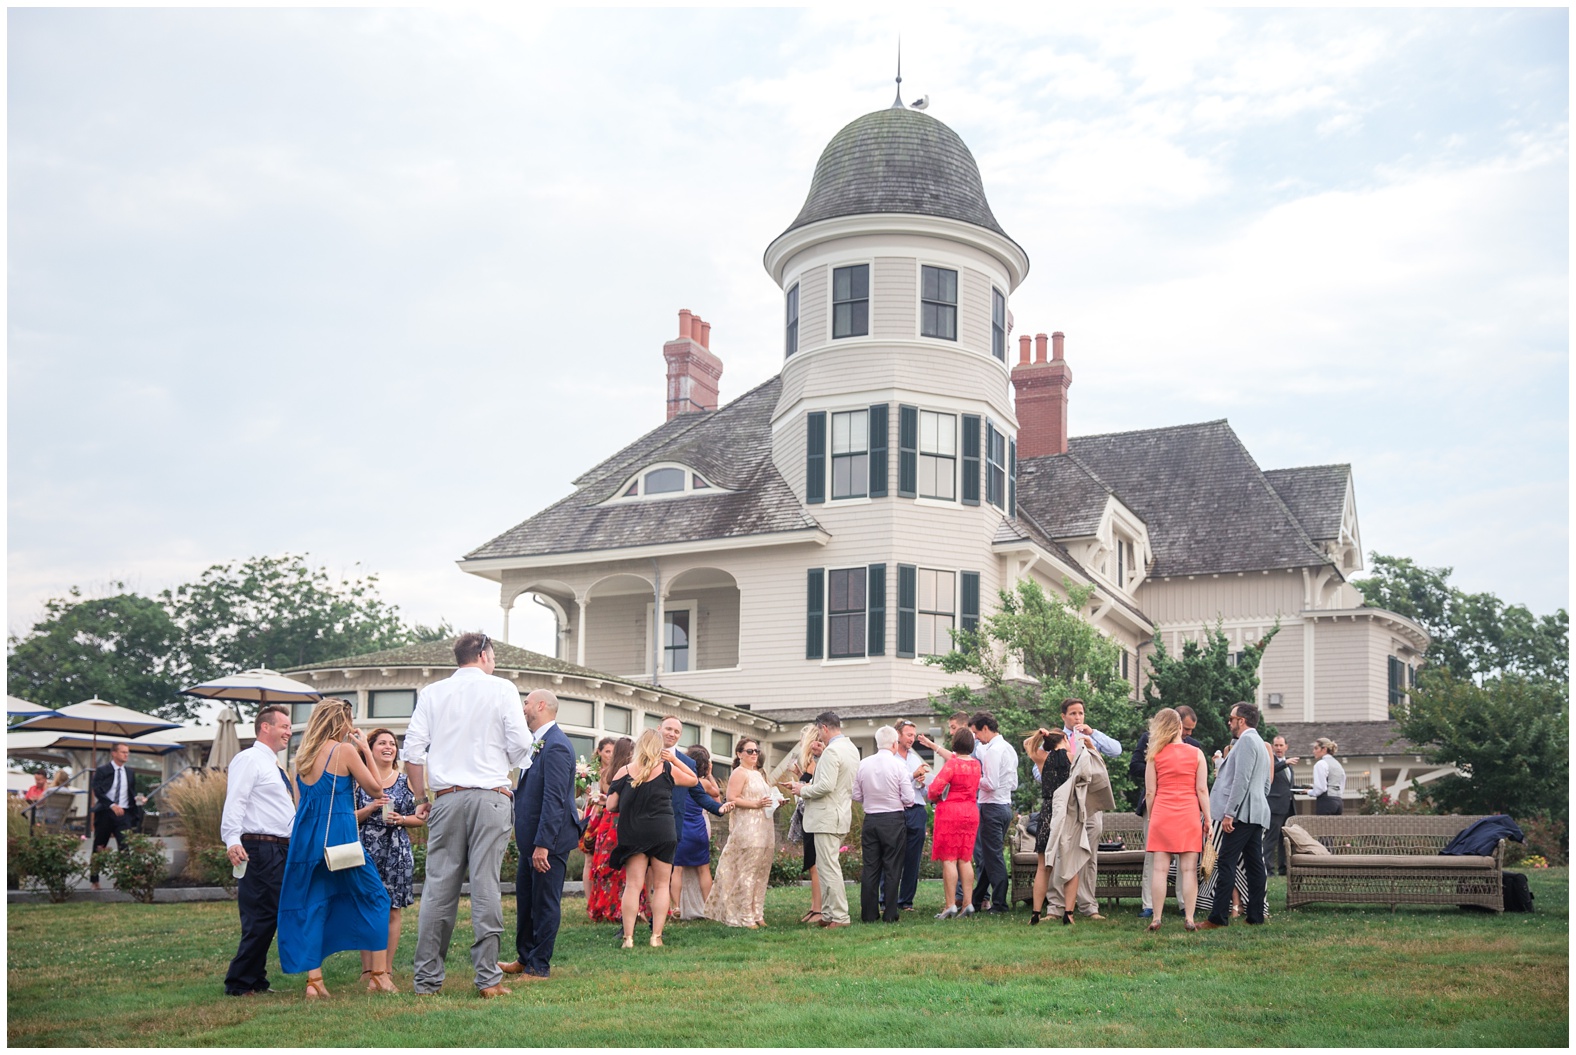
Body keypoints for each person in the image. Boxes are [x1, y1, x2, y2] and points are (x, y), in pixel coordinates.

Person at [402, 632, 533, 998]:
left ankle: (427, 981)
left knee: (438, 889)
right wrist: (505, 762)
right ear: (482, 654)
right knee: (485, 884)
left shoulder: (432, 693)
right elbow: (522, 742)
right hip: (490, 795)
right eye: (492, 655)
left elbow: (412, 751)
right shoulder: (501, 688)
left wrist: (418, 797)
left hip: (445, 797)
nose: (494, 661)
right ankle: (488, 979)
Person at [276, 700, 392, 998]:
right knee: (376, 897)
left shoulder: (301, 757)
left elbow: (300, 805)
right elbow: (378, 790)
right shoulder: (344, 751)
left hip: (306, 837)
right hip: (339, 836)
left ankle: (314, 982)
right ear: (340, 721)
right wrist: (366, 751)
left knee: (314, 904)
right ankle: (378, 975)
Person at [500, 689, 584, 981]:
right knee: (526, 900)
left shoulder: (557, 745)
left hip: (549, 842)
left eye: (525, 703)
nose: (522, 708)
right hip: (530, 841)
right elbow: (531, 792)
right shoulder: (537, 743)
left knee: (545, 903)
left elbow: (555, 800)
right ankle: (524, 957)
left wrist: (543, 846)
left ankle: (539, 966)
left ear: (540, 705)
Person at [220, 705, 295, 997]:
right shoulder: (249, 759)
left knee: (269, 914)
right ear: (266, 727)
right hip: (260, 847)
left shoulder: (272, 764)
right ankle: (239, 982)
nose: (289, 731)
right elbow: (235, 800)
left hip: (279, 848)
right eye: (284, 726)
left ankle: (255, 979)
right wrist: (232, 840)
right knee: (262, 914)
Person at [609, 729, 698, 947]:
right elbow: (694, 780)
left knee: (633, 885)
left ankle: (628, 938)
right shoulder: (667, 769)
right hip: (663, 831)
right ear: (659, 748)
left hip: (633, 831)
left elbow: (610, 805)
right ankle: (655, 937)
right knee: (660, 886)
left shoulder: (624, 771)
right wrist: (674, 759)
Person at [352, 728, 419, 993]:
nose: (389, 747)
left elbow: (422, 816)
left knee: (392, 910)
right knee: (366, 908)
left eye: (392, 743)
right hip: (365, 849)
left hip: (396, 851)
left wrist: (401, 819)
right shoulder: (357, 780)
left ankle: (386, 971)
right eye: (382, 743)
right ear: (371, 748)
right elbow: (346, 816)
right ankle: (368, 970)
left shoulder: (405, 781)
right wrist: (369, 810)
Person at [1198, 703, 1272, 930]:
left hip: (1242, 814)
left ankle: (1218, 917)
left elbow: (1242, 780)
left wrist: (1230, 813)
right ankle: (1256, 915)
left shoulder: (1248, 741)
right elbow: (1265, 783)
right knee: (1254, 863)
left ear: (1242, 720)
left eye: (1231, 718)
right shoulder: (1259, 742)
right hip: (1256, 811)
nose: (1228, 722)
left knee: (1226, 862)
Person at [1131, 704, 1203, 919]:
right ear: (1177, 723)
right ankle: (1149, 904)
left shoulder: (1193, 747)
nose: (1189, 734)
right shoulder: (1149, 740)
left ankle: (1183, 903)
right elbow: (1134, 766)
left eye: (1191, 730)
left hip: (1176, 807)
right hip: (1159, 806)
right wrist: (1162, 771)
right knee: (1154, 859)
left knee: (1184, 863)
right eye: (1186, 729)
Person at [789, 711, 859, 929]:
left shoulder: (832, 752)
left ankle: (839, 915)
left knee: (828, 868)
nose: (818, 736)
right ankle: (828, 913)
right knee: (827, 865)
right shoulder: (850, 748)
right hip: (839, 813)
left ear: (825, 728)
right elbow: (836, 778)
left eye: (819, 731)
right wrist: (821, 756)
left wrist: (802, 789)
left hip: (827, 816)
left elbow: (826, 786)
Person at [1053, 697, 1121, 920]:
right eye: (1072, 713)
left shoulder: (1090, 736)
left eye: (1080, 713)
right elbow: (1039, 770)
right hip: (1066, 801)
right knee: (1063, 852)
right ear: (1063, 716)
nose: (1077, 717)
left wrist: (1093, 735)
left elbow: (1116, 750)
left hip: (1090, 803)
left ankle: (1089, 905)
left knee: (1089, 854)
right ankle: (1059, 906)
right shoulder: (1057, 738)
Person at [656, 716, 727, 914]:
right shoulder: (645, 753)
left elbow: (697, 793)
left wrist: (718, 809)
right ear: (659, 728)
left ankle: (670, 910)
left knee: (670, 870)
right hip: (648, 822)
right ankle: (642, 912)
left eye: (676, 731)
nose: (672, 733)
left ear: (680, 736)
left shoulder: (686, 763)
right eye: (668, 729)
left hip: (676, 826)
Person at [703, 737, 775, 927]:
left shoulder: (759, 774)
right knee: (747, 872)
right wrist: (755, 804)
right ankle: (745, 915)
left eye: (756, 751)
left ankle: (758, 912)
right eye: (749, 751)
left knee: (762, 871)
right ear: (739, 754)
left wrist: (775, 802)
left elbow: (764, 799)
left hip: (765, 827)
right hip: (748, 828)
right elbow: (731, 798)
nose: (753, 754)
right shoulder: (739, 772)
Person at [852, 725, 915, 924]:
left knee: (870, 867)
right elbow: (909, 797)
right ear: (895, 744)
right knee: (892, 867)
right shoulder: (898, 766)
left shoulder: (864, 764)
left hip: (871, 819)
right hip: (893, 819)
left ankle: (869, 914)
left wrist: (871, 800)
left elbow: (855, 794)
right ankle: (890, 912)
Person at [1022, 727, 1076, 924]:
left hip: (1048, 810)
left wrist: (1039, 734)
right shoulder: (1074, 757)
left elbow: (1027, 744)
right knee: (1072, 865)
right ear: (1063, 739)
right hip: (1069, 811)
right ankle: (1068, 913)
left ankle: (1036, 913)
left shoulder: (1043, 758)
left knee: (1043, 866)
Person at [928, 726, 981, 919]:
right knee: (965, 858)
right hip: (971, 811)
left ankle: (950, 905)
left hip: (951, 812)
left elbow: (935, 789)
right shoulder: (976, 765)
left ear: (955, 744)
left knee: (949, 859)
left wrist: (935, 797)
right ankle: (968, 903)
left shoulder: (953, 764)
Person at [586, 737, 641, 924]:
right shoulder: (631, 773)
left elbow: (606, 799)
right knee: (625, 868)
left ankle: (603, 907)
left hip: (607, 821)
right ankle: (620, 908)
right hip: (623, 820)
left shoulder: (606, 773)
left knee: (606, 866)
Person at [968, 712, 1018, 914]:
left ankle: (999, 903)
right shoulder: (1008, 748)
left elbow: (990, 783)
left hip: (991, 808)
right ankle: (978, 898)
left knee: (993, 857)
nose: (975, 738)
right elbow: (1013, 783)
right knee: (989, 856)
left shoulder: (993, 752)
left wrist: (972, 778)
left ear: (985, 728)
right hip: (1005, 806)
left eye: (976, 733)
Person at [886, 720, 930, 913]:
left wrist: (922, 781)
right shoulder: (889, 759)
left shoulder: (915, 758)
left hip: (918, 810)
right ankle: (886, 899)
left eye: (914, 735)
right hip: (897, 810)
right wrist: (913, 775)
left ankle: (906, 901)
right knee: (892, 856)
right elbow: (892, 785)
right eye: (908, 735)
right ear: (898, 735)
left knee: (913, 858)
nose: (912, 739)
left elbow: (926, 790)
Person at [89, 743, 143, 890]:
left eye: (127, 752)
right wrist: (112, 805)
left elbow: (130, 792)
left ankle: (125, 880)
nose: (126, 755)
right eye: (123, 752)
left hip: (124, 814)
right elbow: (98, 791)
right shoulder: (103, 770)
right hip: (106, 812)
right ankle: (94, 880)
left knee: (125, 847)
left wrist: (139, 801)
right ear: (114, 753)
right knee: (100, 845)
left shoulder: (130, 773)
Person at [673, 744, 719, 911]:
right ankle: (709, 907)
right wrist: (710, 775)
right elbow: (716, 795)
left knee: (676, 869)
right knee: (703, 869)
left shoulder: (678, 781)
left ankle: (676, 907)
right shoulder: (704, 784)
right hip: (698, 829)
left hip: (681, 828)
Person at [789, 731, 825, 924]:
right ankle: (814, 906)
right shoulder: (811, 763)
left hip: (812, 815)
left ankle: (818, 908)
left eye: (802, 738)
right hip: (808, 814)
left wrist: (798, 782)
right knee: (812, 863)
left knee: (814, 863)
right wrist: (797, 775)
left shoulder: (813, 761)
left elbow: (807, 786)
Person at [582, 737, 616, 891]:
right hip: (592, 815)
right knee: (589, 858)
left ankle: (602, 896)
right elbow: (576, 792)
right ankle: (589, 899)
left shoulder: (617, 771)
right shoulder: (589, 771)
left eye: (613, 752)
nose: (610, 755)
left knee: (605, 858)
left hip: (609, 814)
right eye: (607, 751)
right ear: (599, 752)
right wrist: (583, 787)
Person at [1265, 735, 1299, 876]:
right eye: (1276, 745)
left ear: (1286, 746)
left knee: (1284, 839)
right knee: (1270, 839)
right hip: (1275, 806)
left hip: (1288, 806)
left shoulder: (1288, 765)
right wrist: (1285, 763)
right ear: (1272, 747)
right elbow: (1271, 770)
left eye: (1281, 745)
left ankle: (1284, 868)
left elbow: (1286, 785)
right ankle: (1268, 869)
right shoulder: (1272, 762)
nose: (1278, 748)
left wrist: (1302, 788)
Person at [1311, 737, 1346, 815]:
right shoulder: (1338, 764)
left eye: (1316, 748)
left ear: (1324, 749)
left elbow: (1321, 788)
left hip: (1326, 801)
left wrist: (1309, 792)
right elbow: (1342, 784)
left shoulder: (1321, 764)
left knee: (1322, 826)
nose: (1314, 751)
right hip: (1338, 801)